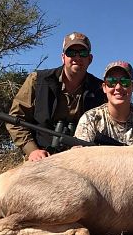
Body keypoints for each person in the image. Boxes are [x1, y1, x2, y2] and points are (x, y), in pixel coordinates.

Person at [6, 31, 106, 161]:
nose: (77, 57)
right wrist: (32, 150)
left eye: (83, 53)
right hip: (41, 158)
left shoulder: (101, 89)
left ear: (90, 59)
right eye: (71, 53)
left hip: (84, 160)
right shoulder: (37, 80)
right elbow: (15, 119)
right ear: (63, 57)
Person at [74, 60, 133, 145]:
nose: (118, 87)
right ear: (104, 87)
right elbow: (81, 157)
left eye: (124, 82)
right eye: (111, 82)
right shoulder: (90, 119)